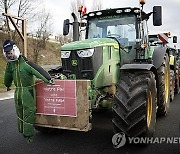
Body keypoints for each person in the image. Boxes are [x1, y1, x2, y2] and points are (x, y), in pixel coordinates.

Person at [2, 40, 54, 143]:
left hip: (28, 92)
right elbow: (7, 77)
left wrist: (48, 79)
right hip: (18, 92)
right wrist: (7, 85)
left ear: (15, 50)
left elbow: (38, 70)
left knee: (29, 112)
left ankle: (28, 135)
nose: (10, 55)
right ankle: (21, 130)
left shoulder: (26, 64)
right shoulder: (11, 66)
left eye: (10, 52)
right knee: (20, 112)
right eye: (7, 53)